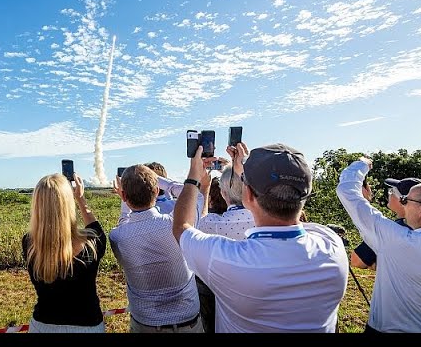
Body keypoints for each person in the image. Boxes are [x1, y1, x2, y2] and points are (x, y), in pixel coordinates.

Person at [173, 142, 348, 333]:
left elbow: (181, 227)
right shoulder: (331, 244)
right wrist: (246, 174)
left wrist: (193, 178)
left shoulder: (226, 258)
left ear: (247, 195)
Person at [110, 164, 205, 333]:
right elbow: (195, 196)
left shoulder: (117, 237)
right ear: (156, 191)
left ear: (123, 196)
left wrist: (125, 198)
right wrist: (162, 181)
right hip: (187, 321)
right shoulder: (175, 224)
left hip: (145, 323)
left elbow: (124, 221)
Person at [337, 158, 421, 332]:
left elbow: (347, 190)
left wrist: (362, 164)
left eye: (405, 200)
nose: (403, 205)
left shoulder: (396, 238)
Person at [22, 172, 107, 333]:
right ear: (68, 205)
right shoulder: (91, 243)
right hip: (87, 326)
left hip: (43, 325)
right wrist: (81, 199)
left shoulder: (29, 243)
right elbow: (96, 229)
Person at [194, 163, 256, 333]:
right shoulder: (266, 219)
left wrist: (204, 188)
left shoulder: (213, 225)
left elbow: (200, 220)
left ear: (222, 193)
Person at [350, 177, 421, 270]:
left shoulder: (395, 228)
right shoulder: (415, 227)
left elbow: (356, 261)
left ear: (403, 200)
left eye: (392, 191)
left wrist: (365, 202)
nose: (389, 194)